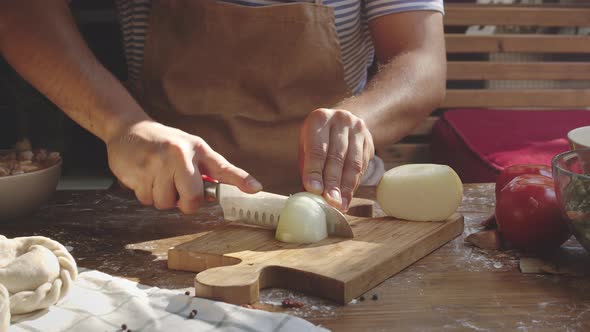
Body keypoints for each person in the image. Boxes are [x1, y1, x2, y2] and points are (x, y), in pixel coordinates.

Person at [0, 0, 446, 214]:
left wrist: (360, 121)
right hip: (161, 204)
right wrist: (123, 125)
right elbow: (22, 12)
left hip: (344, 208)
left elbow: (422, 60)